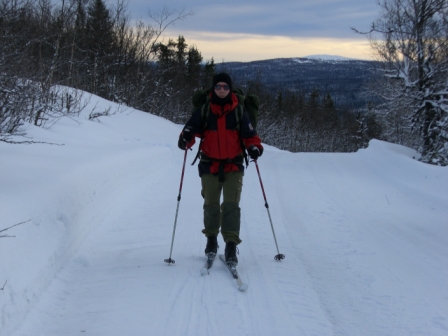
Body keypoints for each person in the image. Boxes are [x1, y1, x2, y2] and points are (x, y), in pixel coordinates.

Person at [178, 73, 263, 265]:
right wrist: (185, 139)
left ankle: (231, 245)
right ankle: (211, 241)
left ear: (230, 89)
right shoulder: (205, 109)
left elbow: (251, 135)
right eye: (218, 87)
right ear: (213, 89)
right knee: (211, 205)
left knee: (231, 206)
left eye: (225, 87)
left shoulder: (239, 110)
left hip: (234, 165)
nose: (222, 90)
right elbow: (190, 130)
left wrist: (254, 148)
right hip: (209, 164)